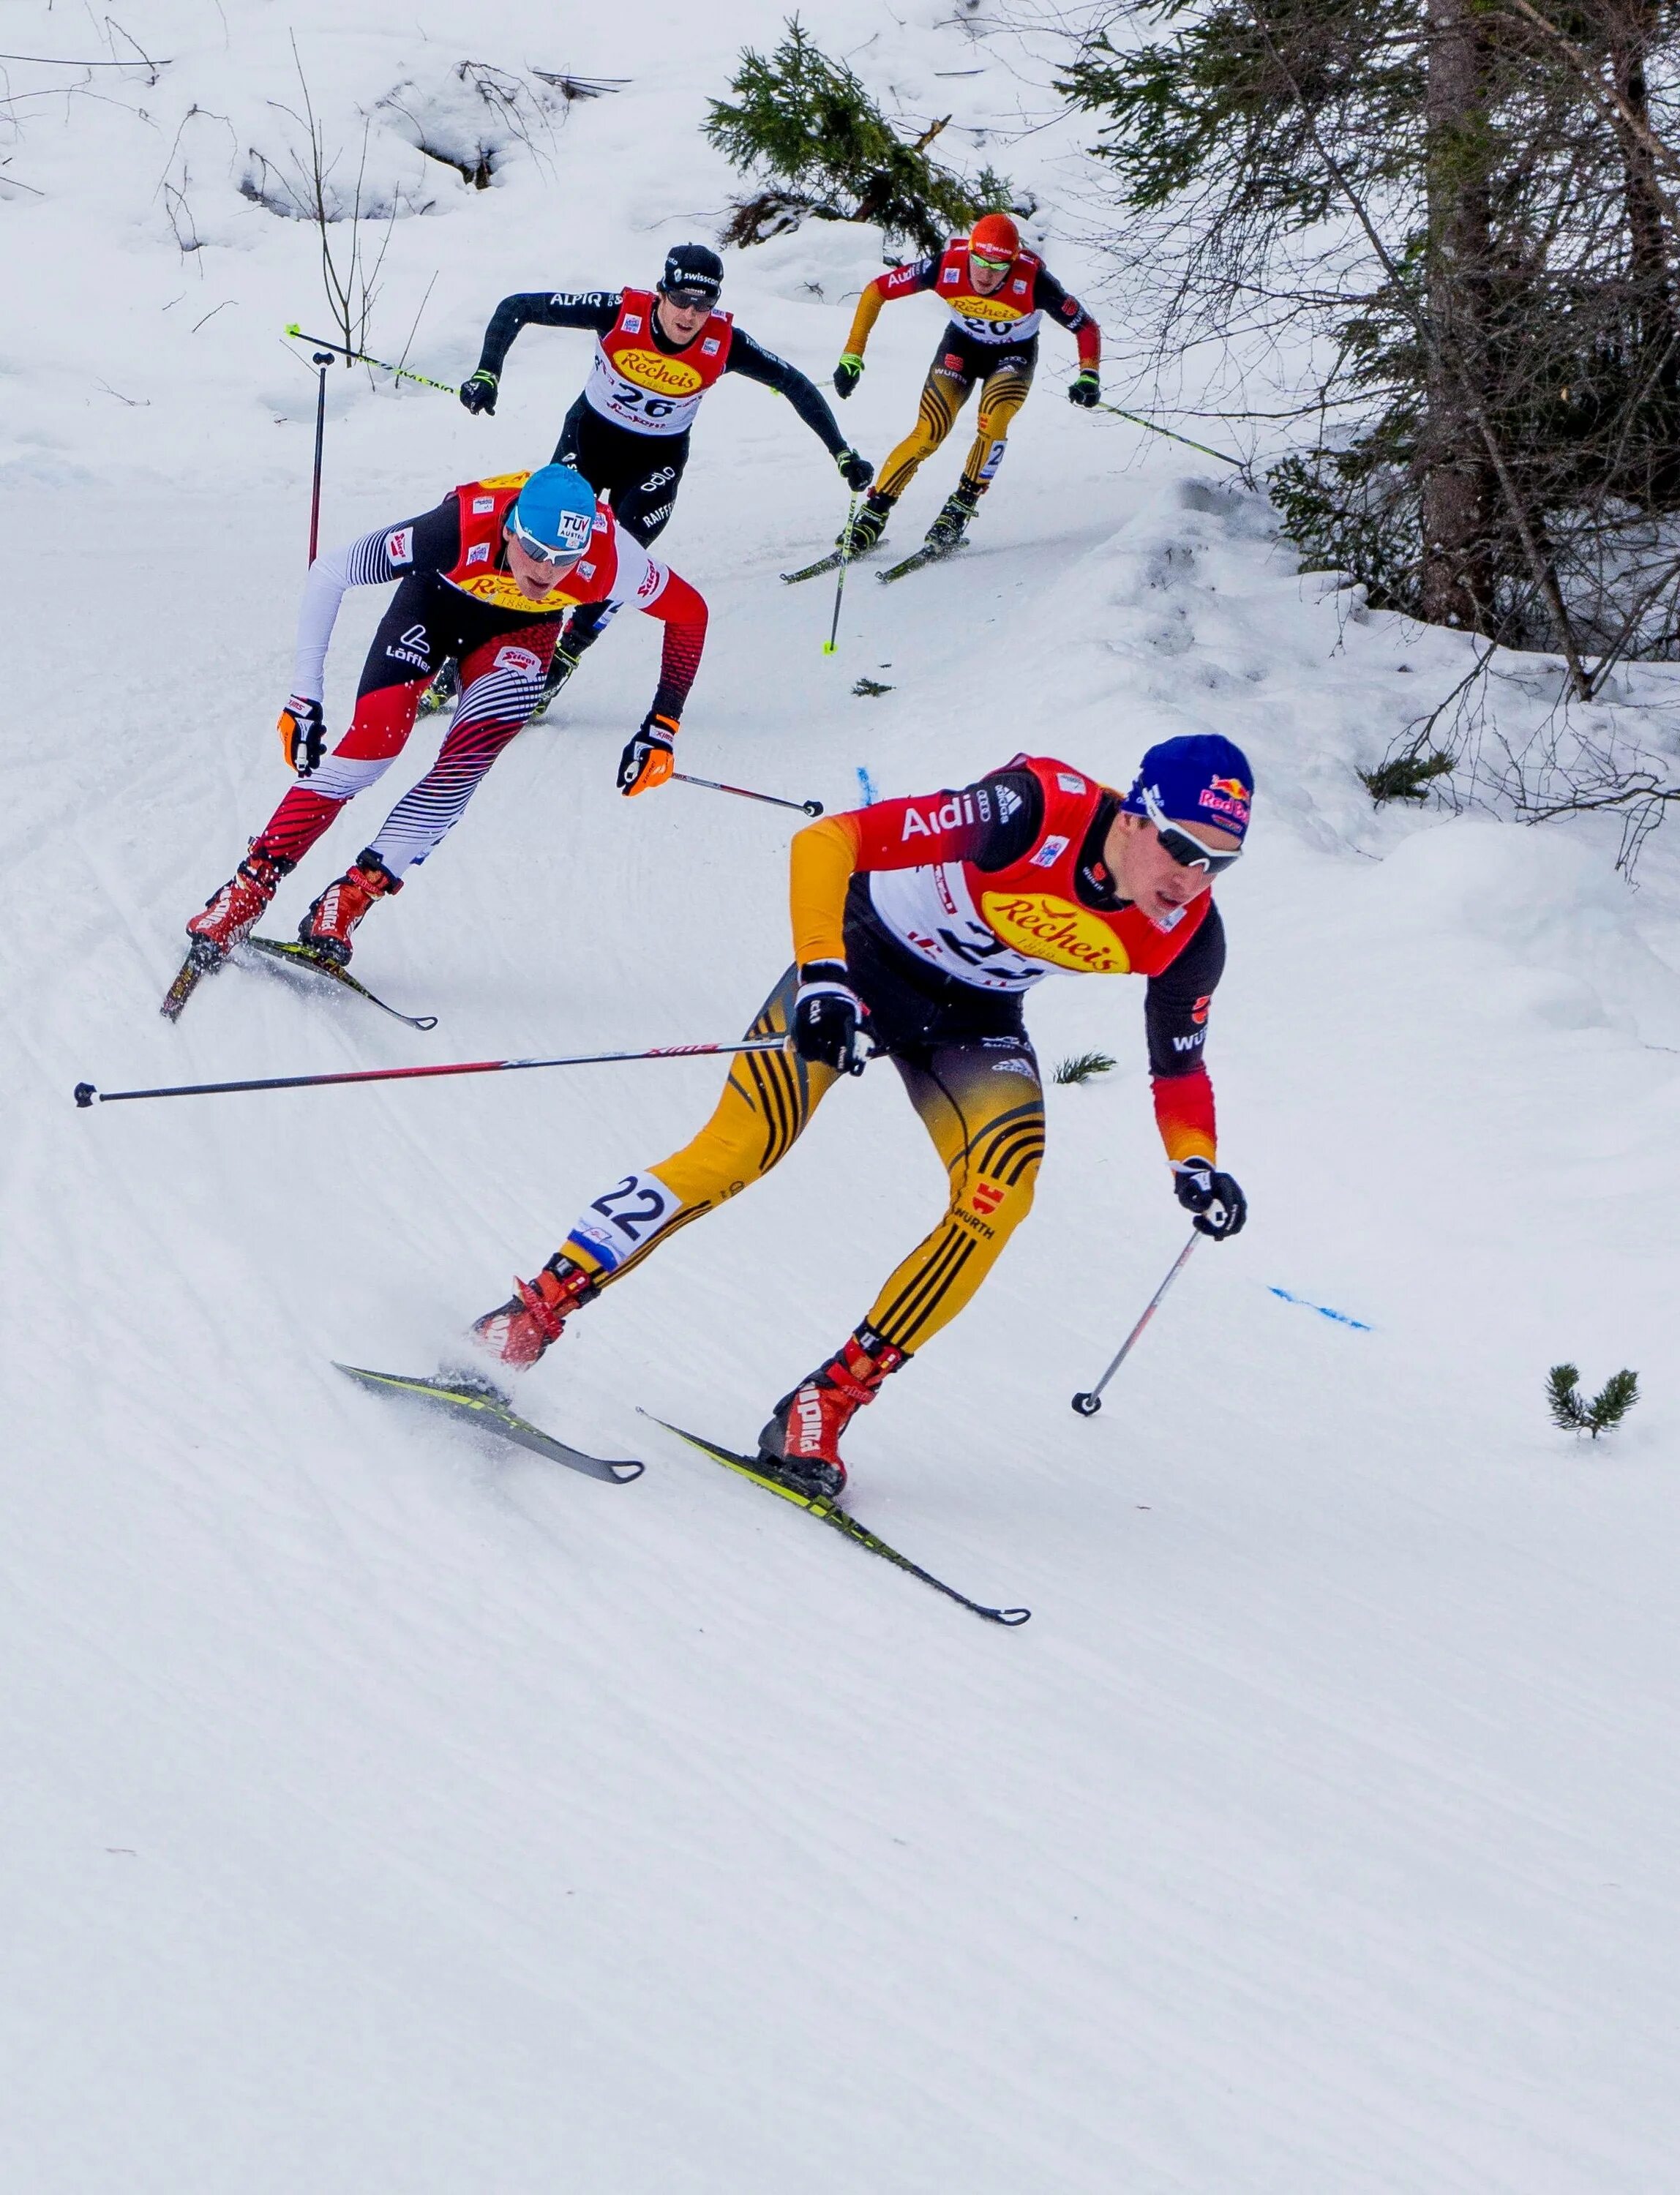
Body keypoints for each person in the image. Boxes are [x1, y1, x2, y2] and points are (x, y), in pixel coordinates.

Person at [468, 734, 1252, 1500]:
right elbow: (826, 841)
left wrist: (1195, 1160)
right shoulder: (1031, 810)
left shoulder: (1187, 934)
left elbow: (1178, 1067)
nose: (1193, 877)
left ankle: (824, 1406)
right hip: (861, 957)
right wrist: (822, 976)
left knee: (1001, 1193)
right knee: (740, 1149)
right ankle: (529, 1315)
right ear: (1133, 816)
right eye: (1183, 847)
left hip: (972, 1022)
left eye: (1219, 861)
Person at [181, 465, 708, 975]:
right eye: (536, 551)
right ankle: (247, 890)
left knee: (467, 760)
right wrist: (303, 697)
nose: (546, 571)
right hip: (434, 603)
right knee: (372, 747)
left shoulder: (613, 558)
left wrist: (662, 726)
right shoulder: (454, 529)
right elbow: (331, 572)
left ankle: (351, 897)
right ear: (509, 529)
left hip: (520, 633)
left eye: (563, 559)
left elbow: (690, 613)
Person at [459, 243, 874, 703]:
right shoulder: (618, 312)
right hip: (588, 440)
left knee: (623, 556)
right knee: (542, 540)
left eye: (704, 304)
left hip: (656, 461)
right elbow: (516, 307)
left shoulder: (725, 342)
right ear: (661, 292)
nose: (690, 315)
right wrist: (487, 373)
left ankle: (564, 657)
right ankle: (477, 643)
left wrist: (842, 452)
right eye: (681, 299)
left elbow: (793, 383)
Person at [830, 211, 1102, 560]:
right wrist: (852, 355)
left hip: (1013, 356)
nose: (986, 274)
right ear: (969, 251)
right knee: (930, 432)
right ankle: (874, 513)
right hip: (961, 348)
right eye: (979, 261)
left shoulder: (1035, 281)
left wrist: (1088, 375)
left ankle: (959, 508)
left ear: (1014, 263)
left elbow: (1086, 327)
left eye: (998, 266)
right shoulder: (946, 266)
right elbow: (875, 291)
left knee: (995, 421)